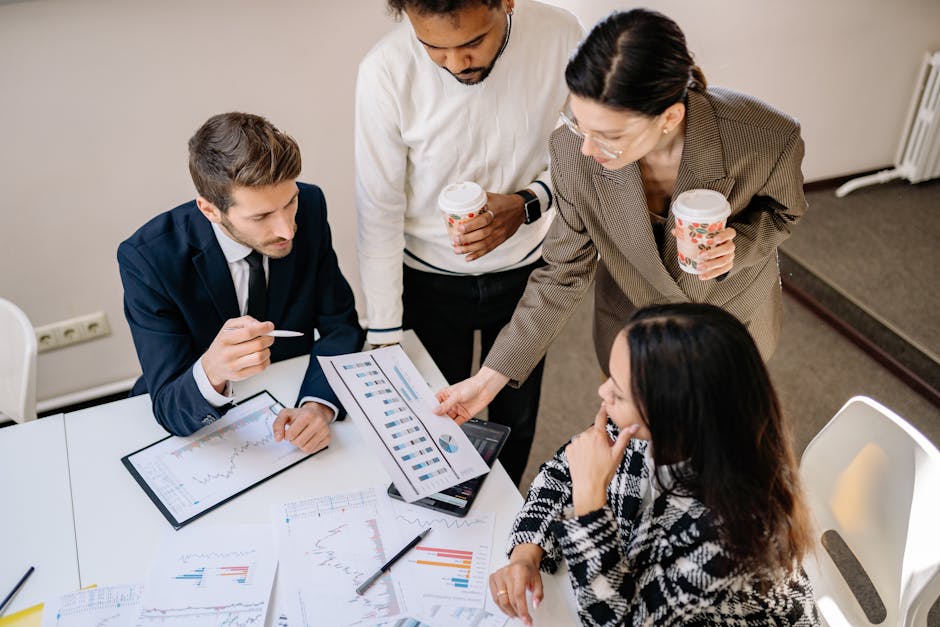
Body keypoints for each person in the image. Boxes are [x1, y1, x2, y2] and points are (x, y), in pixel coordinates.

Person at [434, 8, 808, 423]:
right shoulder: (573, 155)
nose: (588, 151)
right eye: (580, 125)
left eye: (610, 137)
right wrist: (489, 378)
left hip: (729, 325)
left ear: (670, 117)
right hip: (631, 333)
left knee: (719, 445)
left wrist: (739, 246)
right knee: (630, 450)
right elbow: (561, 275)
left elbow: (785, 213)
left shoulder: (765, 139)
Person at [355, 0, 583, 484]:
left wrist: (529, 202)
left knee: (514, 424)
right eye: (432, 47)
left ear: (507, 2)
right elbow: (379, 209)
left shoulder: (562, 34)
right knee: (436, 426)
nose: (456, 63)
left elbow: (591, 148)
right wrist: (383, 333)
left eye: (473, 43)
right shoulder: (384, 71)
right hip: (427, 283)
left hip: (528, 275)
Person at [489, 303, 819, 626]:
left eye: (618, 393)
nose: (602, 391)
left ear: (670, 414)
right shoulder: (644, 431)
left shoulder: (735, 534)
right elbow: (562, 473)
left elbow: (621, 620)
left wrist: (590, 500)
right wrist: (525, 555)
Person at [118, 112, 364, 452]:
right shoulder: (148, 260)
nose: (287, 229)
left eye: (289, 202)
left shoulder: (310, 205)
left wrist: (318, 404)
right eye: (261, 216)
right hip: (199, 425)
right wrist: (212, 369)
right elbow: (170, 407)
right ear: (209, 210)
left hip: (290, 387)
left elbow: (342, 327)